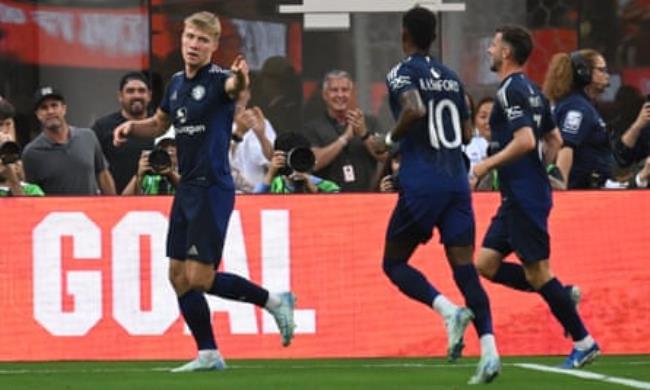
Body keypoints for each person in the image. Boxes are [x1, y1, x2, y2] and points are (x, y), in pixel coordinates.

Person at [112, 11, 296, 372]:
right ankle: (208, 352)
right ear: (182, 40)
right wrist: (132, 127)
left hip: (212, 187)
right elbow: (160, 123)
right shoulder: (177, 83)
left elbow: (235, 88)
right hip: (187, 189)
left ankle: (274, 301)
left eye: (202, 40)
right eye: (190, 37)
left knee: (199, 277)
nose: (194, 45)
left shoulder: (219, 80)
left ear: (213, 46)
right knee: (177, 276)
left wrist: (242, 77)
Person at [471, 25, 600, 369]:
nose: (489, 51)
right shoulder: (533, 91)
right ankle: (562, 292)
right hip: (519, 195)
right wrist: (544, 173)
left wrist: (484, 166)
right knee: (484, 263)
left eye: (494, 45)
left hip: (524, 197)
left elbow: (528, 140)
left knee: (538, 273)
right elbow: (554, 139)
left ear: (507, 53)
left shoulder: (510, 91)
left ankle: (584, 341)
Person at [382, 7, 499, 384]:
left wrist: (391, 138)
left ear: (405, 34)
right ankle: (490, 350)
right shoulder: (452, 79)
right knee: (465, 270)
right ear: (433, 36)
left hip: (422, 182)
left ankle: (448, 311)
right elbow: (466, 136)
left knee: (394, 263)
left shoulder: (401, 72)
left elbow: (414, 109)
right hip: (456, 183)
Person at [542, 49, 615, 189]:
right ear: (584, 72)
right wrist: (561, 186)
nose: (607, 75)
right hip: (581, 192)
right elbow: (566, 146)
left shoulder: (583, 104)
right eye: (601, 70)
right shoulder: (577, 107)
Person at [22, 87, 116, 195]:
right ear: (38, 114)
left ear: (64, 109)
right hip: (54, 211)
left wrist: (114, 206)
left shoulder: (88, 137)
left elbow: (103, 175)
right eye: (44, 108)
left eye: (54, 105)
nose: (50, 111)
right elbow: (31, 193)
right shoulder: (31, 153)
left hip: (90, 210)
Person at [303, 70, 384, 192]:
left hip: (367, 198)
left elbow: (384, 156)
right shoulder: (313, 128)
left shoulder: (369, 122)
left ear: (352, 93)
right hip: (328, 200)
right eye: (334, 90)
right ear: (325, 95)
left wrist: (364, 134)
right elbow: (314, 162)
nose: (340, 95)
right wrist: (344, 138)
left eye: (345, 90)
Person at [92, 72, 155, 193]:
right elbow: (94, 167)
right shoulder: (102, 127)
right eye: (130, 91)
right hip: (117, 204)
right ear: (120, 96)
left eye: (141, 91)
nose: (137, 95)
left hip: (159, 202)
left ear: (149, 95)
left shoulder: (161, 126)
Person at [254, 132, 340, 194]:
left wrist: (315, 191)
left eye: (300, 157)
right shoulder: (275, 184)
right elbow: (252, 204)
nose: (295, 161)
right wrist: (270, 174)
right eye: (289, 157)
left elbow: (339, 208)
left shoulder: (325, 186)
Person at [229, 88, 276, 193]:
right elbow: (218, 162)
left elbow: (273, 161)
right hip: (223, 198)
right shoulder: (212, 125)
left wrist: (261, 136)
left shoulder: (261, 123)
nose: (237, 96)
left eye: (241, 89)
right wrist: (239, 133)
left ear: (248, 95)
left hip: (255, 198)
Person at [0, 99, 43, 196]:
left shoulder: (31, 189)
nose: (4, 132)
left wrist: (13, 178)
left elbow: (27, 210)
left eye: (8, 124)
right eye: (0, 125)